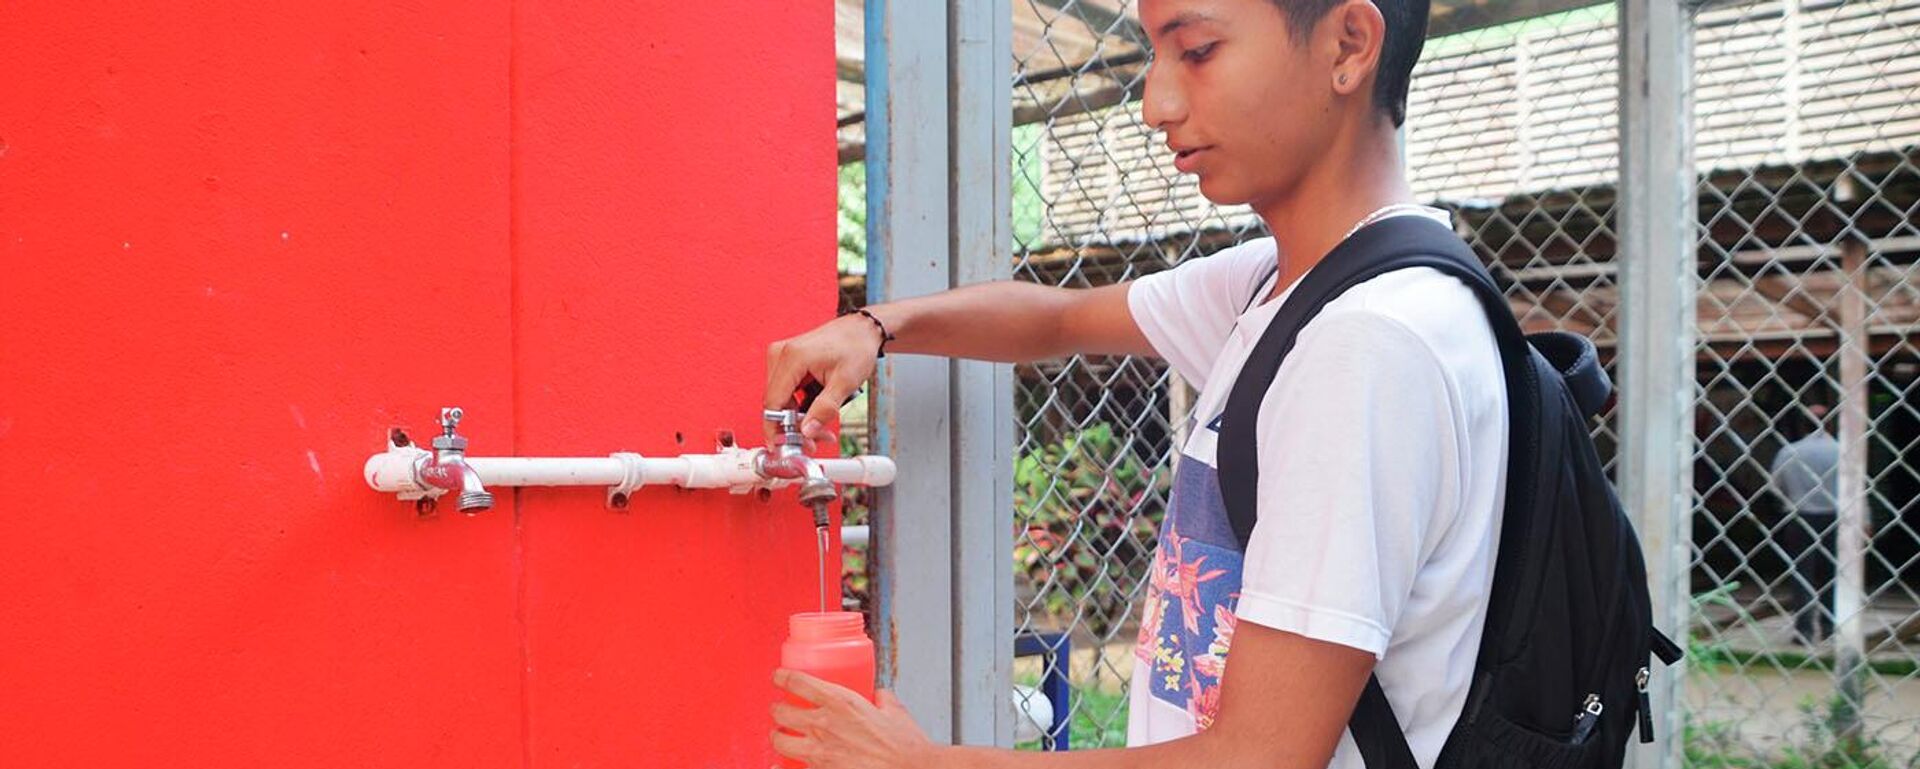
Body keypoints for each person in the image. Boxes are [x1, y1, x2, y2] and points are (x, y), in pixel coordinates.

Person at [764, 0, 1509, 767]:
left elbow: (1259, 756)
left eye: (1197, 51)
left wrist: (919, 763)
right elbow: (1059, 320)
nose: (1157, 104)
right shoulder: (1284, 283)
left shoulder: (1364, 343)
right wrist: (874, 327)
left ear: (1348, 45)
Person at [1769, 403, 1840, 644]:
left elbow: (1775, 485)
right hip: (1834, 517)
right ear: (1829, 423)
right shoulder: (1842, 451)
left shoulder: (1790, 452)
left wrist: (1795, 496)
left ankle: (1804, 630)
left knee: (1802, 574)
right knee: (1831, 573)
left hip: (1800, 516)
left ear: (1802, 424)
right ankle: (1829, 626)